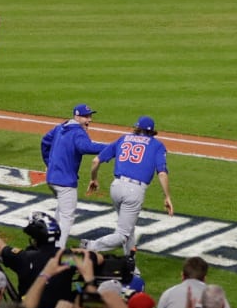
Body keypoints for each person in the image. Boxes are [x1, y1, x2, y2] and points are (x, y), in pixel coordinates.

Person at [84, 115, 174, 254]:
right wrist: (167, 196)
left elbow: (96, 161)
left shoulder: (123, 138)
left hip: (116, 187)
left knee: (129, 229)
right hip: (134, 191)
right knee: (123, 235)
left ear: (137, 127)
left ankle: (131, 268)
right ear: (152, 131)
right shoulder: (157, 145)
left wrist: (93, 179)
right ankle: (90, 246)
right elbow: (162, 173)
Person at [40, 103, 105, 250]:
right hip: (65, 183)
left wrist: (49, 163)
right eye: (86, 116)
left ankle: (48, 246)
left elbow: (45, 141)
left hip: (52, 179)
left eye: (90, 116)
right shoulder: (78, 132)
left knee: (60, 214)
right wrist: (111, 147)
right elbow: (86, 147)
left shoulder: (60, 127)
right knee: (66, 219)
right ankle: (56, 253)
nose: (90, 119)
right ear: (77, 116)